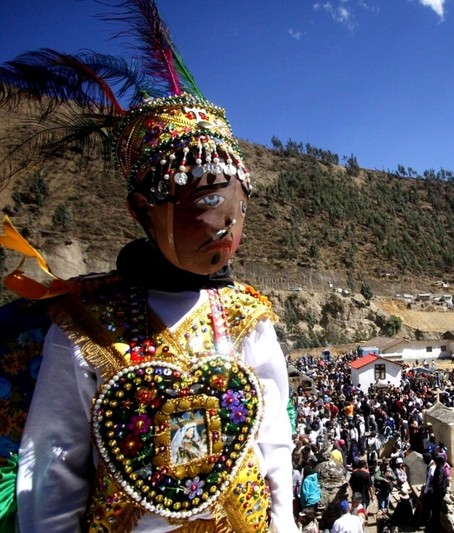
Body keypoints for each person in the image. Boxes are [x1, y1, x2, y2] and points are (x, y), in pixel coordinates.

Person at [2, 2, 296, 531]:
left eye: (240, 208)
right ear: (143, 210)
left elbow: (273, 440)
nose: (228, 226)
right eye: (207, 202)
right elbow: (52, 467)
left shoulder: (249, 315)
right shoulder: (85, 325)